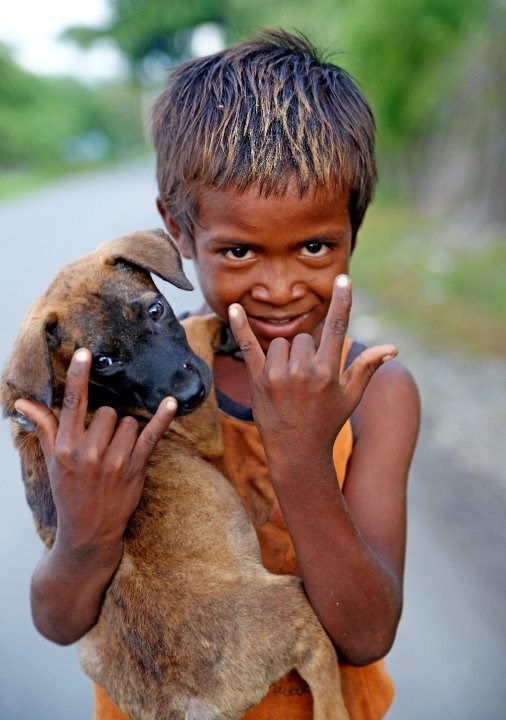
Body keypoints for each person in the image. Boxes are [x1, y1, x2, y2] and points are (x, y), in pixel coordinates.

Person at [15, 30, 420, 720]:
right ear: (178, 231)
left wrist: (301, 459)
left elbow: (367, 634)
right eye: (238, 251)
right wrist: (86, 533)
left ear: (355, 226)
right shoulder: (127, 387)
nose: (281, 288)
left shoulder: (375, 393)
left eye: (315, 246)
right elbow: (57, 621)